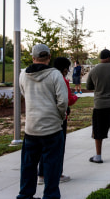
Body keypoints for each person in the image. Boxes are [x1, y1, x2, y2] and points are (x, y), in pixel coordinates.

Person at [18, 44, 68, 199]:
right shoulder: (55, 75)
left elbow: (24, 93)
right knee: (52, 166)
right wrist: (60, 116)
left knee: (28, 166)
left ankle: (25, 195)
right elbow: (63, 101)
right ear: (49, 57)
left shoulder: (23, 74)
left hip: (31, 128)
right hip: (52, 128)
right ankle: (50, 196)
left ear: (33, 57)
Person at [38, 57, 78, 185]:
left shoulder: (46, 77)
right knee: (58, 148)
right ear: (65, 69)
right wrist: (75, 97)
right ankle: (58, 174)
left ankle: (42, 175)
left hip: (44, 116)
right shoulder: (61, 79)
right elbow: (67, 100)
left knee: (44, 147)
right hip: (59, 118)